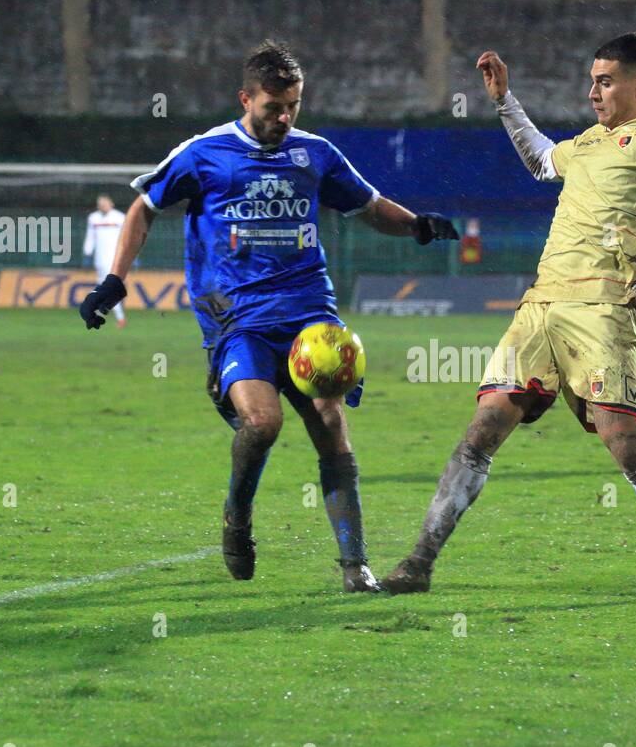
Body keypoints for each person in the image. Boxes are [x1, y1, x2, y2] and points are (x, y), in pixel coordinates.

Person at [380, 9, 636, 600]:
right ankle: (417, 562)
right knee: (483, 426)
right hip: (541, 305)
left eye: (606, 80)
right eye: (591, 80)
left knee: (626, 447)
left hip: (601, 308)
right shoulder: (588, 142)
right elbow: (542, 159)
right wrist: (504, 101)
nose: (593, 91)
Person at [78, 41, 458, 592]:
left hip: (310, 314)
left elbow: (369, 205)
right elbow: (144, 207)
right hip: (237, 318)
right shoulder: (205, 153)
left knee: (330, 424)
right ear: (245, 99)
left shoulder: (316, 154)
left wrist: (418, 224)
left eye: (293, 106)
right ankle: (238, 516)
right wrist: (114, 281)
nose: (284, 118)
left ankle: (355, 567)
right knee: (263, 424)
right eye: (272, 108)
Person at [82, 194, 126, 328]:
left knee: (108, 287)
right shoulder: (93, 218)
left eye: (104, 204)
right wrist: (87, 253)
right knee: (104, 287)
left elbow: (126, 237)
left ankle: (119, 317)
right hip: (99, 259)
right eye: (100, 204)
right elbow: (90, 237)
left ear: (111, 204)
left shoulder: (119, 217)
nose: (102, 206)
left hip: (114, 258)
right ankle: (106, 314)